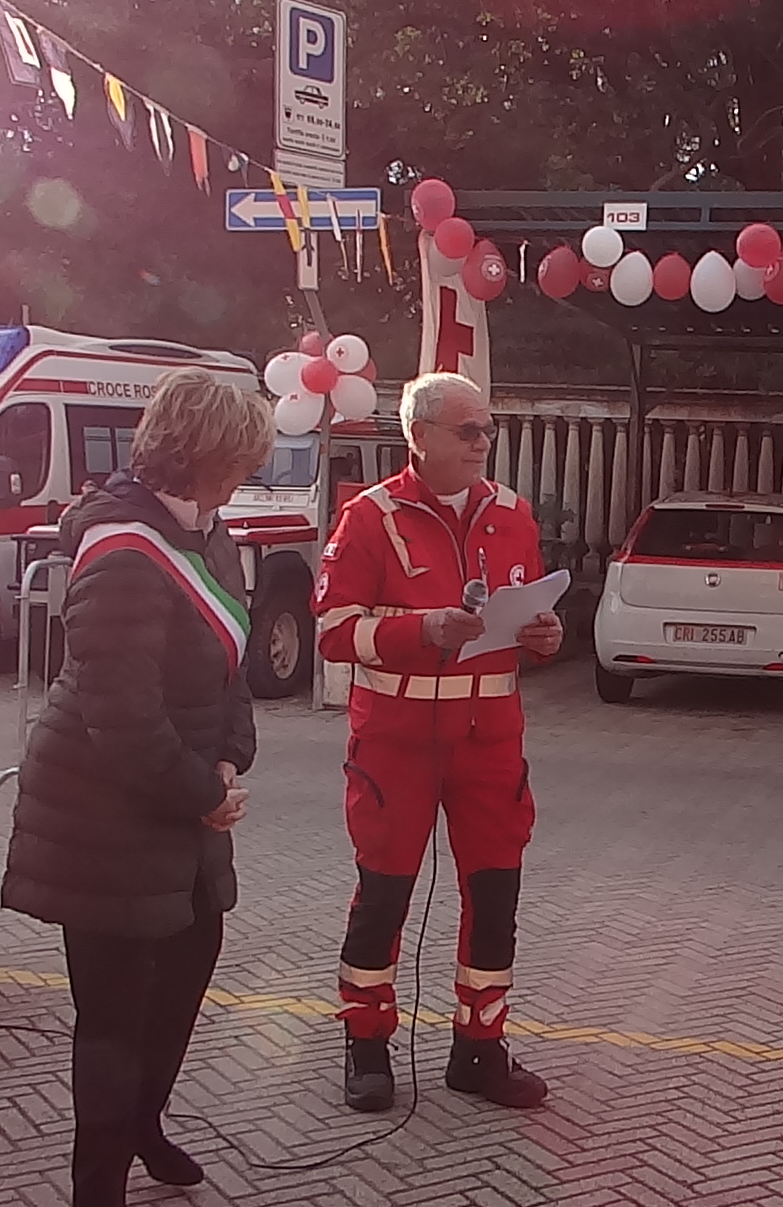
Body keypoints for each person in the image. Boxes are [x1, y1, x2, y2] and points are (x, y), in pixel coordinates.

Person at [0, 368, 272, 1207]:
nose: (247, 477)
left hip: (181, 805)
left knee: (184, 979)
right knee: (114, 1017)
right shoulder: (123, 553)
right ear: (205, 456)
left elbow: (230, 664)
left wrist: (230, 758)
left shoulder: (206, 531)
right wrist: (201, 792)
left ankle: (143, 1125)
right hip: (103, 815)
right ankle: (99, 1185)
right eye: (241, 461)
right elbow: (120, 718)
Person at [313, 371, 564, 1112]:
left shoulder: (514, 514)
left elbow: (524, 618)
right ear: (419, 436)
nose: (483, 443)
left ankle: (479, 1048)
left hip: (490, 745)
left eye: (487, 430)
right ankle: (366, 1043)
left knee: (495, 896)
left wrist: (545, 638)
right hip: (395, 746)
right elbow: (332, 631)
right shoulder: (368, 517)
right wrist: (420, 630)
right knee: (384, 895)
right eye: (467, 430)